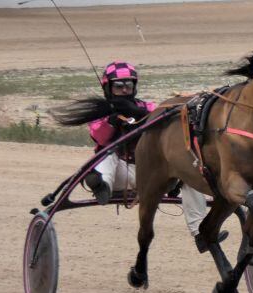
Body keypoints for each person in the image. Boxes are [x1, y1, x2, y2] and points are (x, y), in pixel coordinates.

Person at [85, 61, 227, 253]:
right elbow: (99, 136)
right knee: (108, 152)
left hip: (150, 173)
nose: (125, 90)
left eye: (129, 85)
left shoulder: (147, 106)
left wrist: (140, 114)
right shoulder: (101, 111)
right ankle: (102, 186)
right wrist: (112, 120)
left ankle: (200, 231)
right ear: (108, 88)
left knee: (186, 171)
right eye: (119, 86)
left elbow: (165, 119)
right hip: (119, 173)